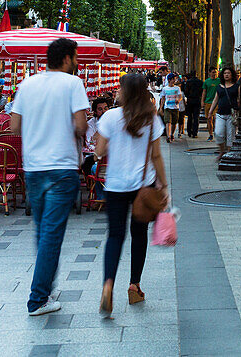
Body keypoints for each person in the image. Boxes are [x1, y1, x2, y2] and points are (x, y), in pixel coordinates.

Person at [10, 37, 91, 316]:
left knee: (42, 230)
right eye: (76, 57)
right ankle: (38, 299)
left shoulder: (27, 84)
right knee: (51, 235)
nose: (77, 62)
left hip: (33, 167)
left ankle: (45, 287)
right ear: (68, 58)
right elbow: (81, 126)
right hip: (62, 166)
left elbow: (13, 126)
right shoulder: (73, 84)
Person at [94, 72, 167, 316]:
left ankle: (108, 285)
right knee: (139, 235)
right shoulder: (151, 119)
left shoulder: (110, 117)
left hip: (115, 186)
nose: (116, 92)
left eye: (119, 88)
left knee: (115, 236)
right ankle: (134, 285)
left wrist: (94, 154)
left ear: (126, 92)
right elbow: (156, 156)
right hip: (142, 187)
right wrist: (164, 185)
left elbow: (100, 150)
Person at [207, 67, 239, 155]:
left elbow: (239, 99)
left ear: (232, 75)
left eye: (228, 73)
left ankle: (228, 154)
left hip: (231, 115)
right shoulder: (219, 87)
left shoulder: (236, 87)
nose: (227, 75)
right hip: (220, 114)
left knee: (230, 137)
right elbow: (215, 100)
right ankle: (222, 151)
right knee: (218, 134)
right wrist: (210, 112)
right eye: (225, 73)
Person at [159, 74, 183, 140]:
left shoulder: (177, 88)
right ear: (169, 80)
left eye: (174, 79)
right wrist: (161, 108)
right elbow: (163, 98)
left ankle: (172, 134)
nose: (174, 80)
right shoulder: (165, 89)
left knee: (174, 123)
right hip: (167, 107)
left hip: (175, 108)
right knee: (168, 121)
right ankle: (168, 136)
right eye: (173, 79)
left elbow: (180, 96)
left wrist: (178, 100)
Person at [182, 71, 203, 138]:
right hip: (197, 100)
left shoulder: (188, 82)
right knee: (196, 117)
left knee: (190, 117)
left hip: (190, 100)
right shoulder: (200, 82)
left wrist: (188, 96)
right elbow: (202, 92)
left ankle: (189, 131)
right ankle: (195, 132)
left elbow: (186, 91)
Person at [202, 67, 220, 141]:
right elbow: (204, 92)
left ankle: (217, 132)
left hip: (217, 103)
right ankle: (210, 134)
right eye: (213, 72)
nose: (214, 74)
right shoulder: (206, 81)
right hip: (208, 102)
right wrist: (202, 101)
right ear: (209, 73)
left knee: (216, 118)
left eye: (215, 72)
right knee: (209, 119)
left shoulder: (220, 81)